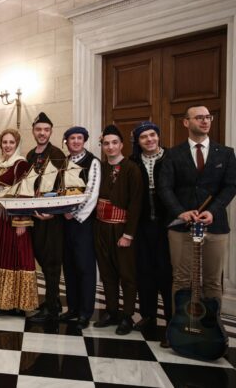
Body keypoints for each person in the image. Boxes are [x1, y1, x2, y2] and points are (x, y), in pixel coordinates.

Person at [159, 105, 236, 326]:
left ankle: (213, 329)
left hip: (215, 227)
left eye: (208, 117)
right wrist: (179, 212)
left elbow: (231, 186)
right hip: (182, 228)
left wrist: (212, 211)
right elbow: (165, 188)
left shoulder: (226, 153)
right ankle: (179, 327)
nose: (205, 121)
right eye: (199, 117)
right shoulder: (173, 154)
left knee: (212, 281)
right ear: (186, 122)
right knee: (182, 280)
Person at [93, 125, 143, 335]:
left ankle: (127, 315)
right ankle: (111, 311)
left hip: (122, 229)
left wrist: (128, 234)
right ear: (102, 146)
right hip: (101, 228)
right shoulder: (100, 168)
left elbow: (136, 203)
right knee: (107, 273)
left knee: (127, 274)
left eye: (114, 143)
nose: (110, 147)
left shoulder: (132, 169)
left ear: (122, 145)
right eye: (106, 143)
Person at [0, 129, 38, 312]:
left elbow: (25, 193)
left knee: (16, 257)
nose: (7, 146)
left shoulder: (20, 164)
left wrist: (21, 220)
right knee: (0, 256)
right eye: (4, 142)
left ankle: (18, 303)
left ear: (17, 144)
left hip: (14, 219)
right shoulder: (0, 164)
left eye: (11, 142)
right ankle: (0, 301)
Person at [129, 121, 172, 341]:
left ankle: (172, 318)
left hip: (168, 224)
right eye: (144, 137)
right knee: (144, 271)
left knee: (167, 272)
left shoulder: (171, 158)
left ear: (158, 136)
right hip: (142, 224)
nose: (149, 140)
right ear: (138, 141)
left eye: (152, 135)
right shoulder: (133, 162)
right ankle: (148, 315)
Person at [26, 112, 67, 323]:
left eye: (46, 130)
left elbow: (63, 187)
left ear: (50, 131)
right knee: (41, 258)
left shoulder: (58, 154)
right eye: (38, 129)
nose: (42, 133)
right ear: (33, 131)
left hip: (52, 219)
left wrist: (51, 212)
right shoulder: (30, 155)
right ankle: (53, 301)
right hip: (34, 216)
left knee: (51, 263)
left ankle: (52, 309)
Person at [60, 127, 100, 330]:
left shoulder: (92, 162)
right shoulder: (64, 162)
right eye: (72, 138)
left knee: (85, 268)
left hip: (83, 223)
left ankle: (85, 312)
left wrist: (74, 213)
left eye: (79, 138)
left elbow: (92, 192)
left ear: (84, 140)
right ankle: (73, 308)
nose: (75, 141)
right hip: (64, 222)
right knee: (69, 266)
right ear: (66, 141)